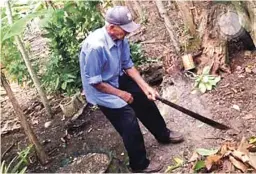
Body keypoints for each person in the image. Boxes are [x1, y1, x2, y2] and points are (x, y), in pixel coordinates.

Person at [79, 6, 184, 173]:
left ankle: (163, 134)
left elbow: (128, 65)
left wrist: (146, 88)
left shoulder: (121, 39)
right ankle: (139, 164)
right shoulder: (95, 47)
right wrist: (121, 94)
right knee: (128, 120)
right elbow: (95, 82)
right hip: (101, 90)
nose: (127, 33)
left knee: (145, 100)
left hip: (116, 77)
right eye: (124, 29)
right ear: (111, 27)